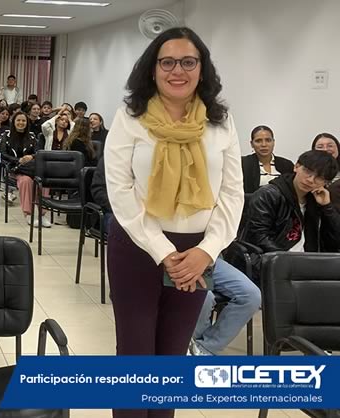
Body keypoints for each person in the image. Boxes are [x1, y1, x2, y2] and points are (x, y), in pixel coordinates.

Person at [104, 27, 243, 418]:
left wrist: (206, 250)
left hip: (199, 251)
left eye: (188, 61)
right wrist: (165, 252)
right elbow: (121, 192)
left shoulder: (221, 121)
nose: (177, 70)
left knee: (171, 358)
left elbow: (232, 193)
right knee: (135, 357)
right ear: (153, 69)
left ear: (202, 69)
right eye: (167, 62)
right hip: (136, 247)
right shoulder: (130, 117)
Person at [243, 150, 340, 253]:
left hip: (310, 262)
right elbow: (257, 237)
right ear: (296, 167)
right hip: (275, 262)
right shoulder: (269, 194)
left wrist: (327, 207)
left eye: (319, 177)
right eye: (308, 171)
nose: (311, 180)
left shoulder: (317, 200)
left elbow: (336, 240)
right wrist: (288, 260)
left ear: (325, 182)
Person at [190, 259, 260, 356]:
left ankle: (205, 348)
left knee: (252, 296)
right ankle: (192, 348)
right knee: (204, 297)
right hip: (178, 259)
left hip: (211, 258)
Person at [1, 112, 49, 228]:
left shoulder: (32, 136)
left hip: (32, 168)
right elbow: (3, 154)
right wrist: (19, 160)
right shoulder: (6, 136)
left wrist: (31, 157)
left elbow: (38, 152)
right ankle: (28, 214)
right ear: (14, 122)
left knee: (44, 181)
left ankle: (42, 214)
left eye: (23, 121)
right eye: (18, 120)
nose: (21, 123)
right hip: (15, 169)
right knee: (26, 181)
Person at [241, 125, 294, 193]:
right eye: (258, 141)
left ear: (273, 142)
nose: (264, 144)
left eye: (268, 140)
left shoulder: (286, 165)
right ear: (252, 144)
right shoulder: (243, 164)